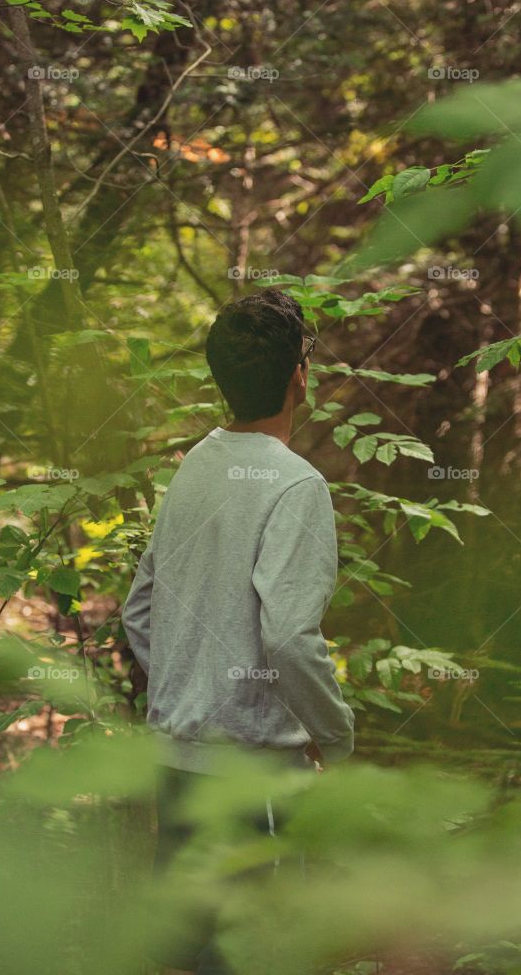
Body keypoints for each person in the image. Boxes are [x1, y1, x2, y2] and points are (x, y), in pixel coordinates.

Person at [122, 287, 355, 975]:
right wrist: (335, 736)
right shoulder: (296, 485)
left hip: (176, 760)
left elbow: (140, 609)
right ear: (298, 377)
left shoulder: (197, 464)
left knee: (187, 948)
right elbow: (287, 638)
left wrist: (187, 687)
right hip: (253, 772)